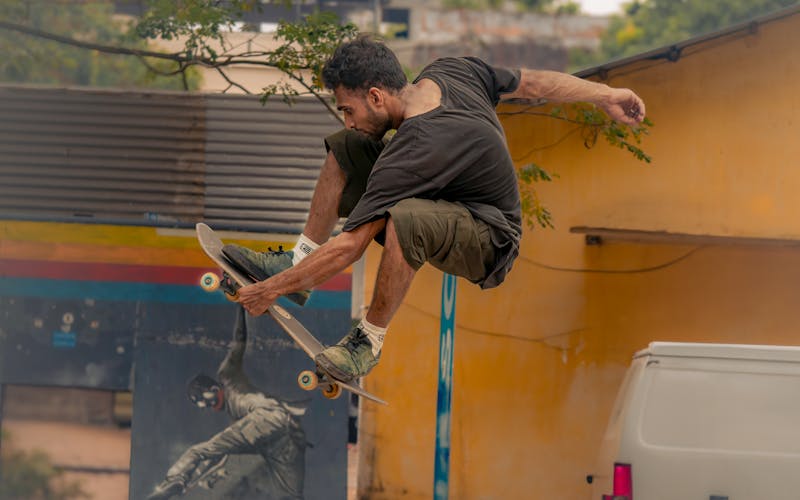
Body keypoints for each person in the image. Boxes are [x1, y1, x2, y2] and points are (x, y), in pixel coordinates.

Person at [223, 36, 646, 382]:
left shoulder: (412, 151)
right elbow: (534, 83)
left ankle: (368, 340)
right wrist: (605, 94)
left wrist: (270, 289)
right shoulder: (452, 70)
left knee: (408, 218)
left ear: (375, 95)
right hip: (445, 201)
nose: (349, 118)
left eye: (350, 109)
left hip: (490, 237)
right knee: (346, 147)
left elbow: (351, 244)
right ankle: (301, 259)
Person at [147, 307, 307, 500]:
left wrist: (242, 308)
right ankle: (194, 479)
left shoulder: (227, 375)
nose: (207, 407)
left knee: (199, 451)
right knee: (292, 495)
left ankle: (173, 481)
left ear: (215, 389)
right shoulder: (237, 419)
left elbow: (239, 341)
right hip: (285, 437)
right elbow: (231, 449)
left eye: (205, 401)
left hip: (265, 417)